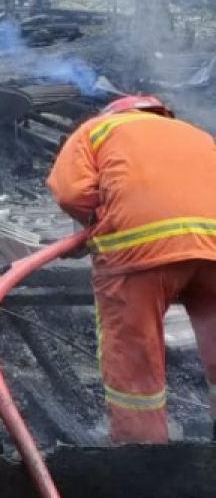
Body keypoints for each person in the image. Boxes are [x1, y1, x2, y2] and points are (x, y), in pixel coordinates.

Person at [47, 96, 216, 444]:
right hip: (213, 250)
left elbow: (69, 192)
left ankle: (143, 454)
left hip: (140, 253)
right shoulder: (197, 134)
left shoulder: (95, 130)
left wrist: (96, 227)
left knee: (133, 357)